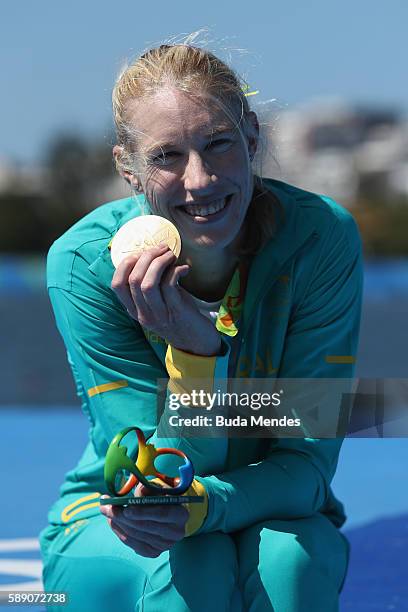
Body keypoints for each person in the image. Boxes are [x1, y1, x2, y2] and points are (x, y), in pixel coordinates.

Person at [39, 43, 363, 611]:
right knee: (197, 568)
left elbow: (307, 464)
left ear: (253, 139)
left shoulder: (321, 240)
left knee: (291, 565)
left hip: (277, 509)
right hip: (119, 523)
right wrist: (197, 354)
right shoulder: (84, 264)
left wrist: (210, 504)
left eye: (218, 143)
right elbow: (149, 483)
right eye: (166, 156)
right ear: (128, 170)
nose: (201, 179)